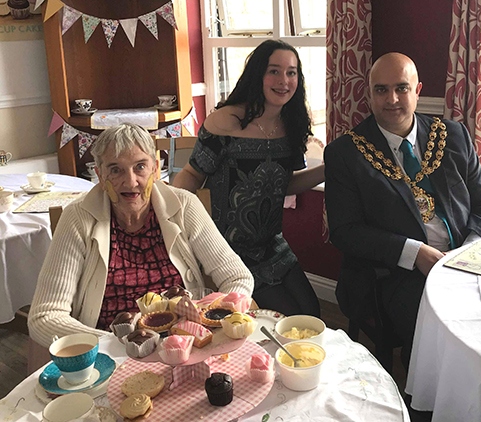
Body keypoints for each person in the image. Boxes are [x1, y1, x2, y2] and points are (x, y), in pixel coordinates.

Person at [324, 52, 481, 368]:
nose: (391, 99)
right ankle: (423, 402)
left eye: (401, 88)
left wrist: (468, 254)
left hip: (463, 261)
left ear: (418, 90)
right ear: (369, 93)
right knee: (446, 340)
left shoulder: (454, 136)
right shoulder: (345, 153)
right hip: (391, 274)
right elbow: (344, 231)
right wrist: (415, 253)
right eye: (381, 90)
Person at [28, 123, 254, 347]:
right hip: (109, 348)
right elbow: (45, 316)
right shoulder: (78, 219)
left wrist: (212, 318)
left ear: (156, 168)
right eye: (115, 170)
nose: (131, 181)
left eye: (140, 166)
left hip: (184, 343)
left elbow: (237, 277)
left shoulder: (184, 206)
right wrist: (113, 344)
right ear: (99, 174)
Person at [173, 40, 323, 317]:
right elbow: (192, 174)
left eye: (291, 72)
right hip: (227, 251)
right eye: (274, 71)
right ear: (258, 74)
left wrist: (328, 168)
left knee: (312, 314)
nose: (284, 80)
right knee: (286, 319)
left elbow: (285, 185)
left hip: (272, 244)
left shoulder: (293, 124)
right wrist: (171, 220)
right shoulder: (224, 121)